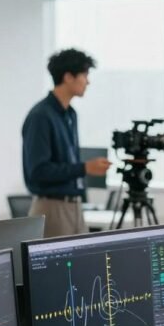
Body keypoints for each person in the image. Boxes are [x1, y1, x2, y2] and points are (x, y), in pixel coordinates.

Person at [22, 49, 111, 238]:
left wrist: (83, 169)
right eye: (84, 75)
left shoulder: (71, 114)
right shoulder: (41, 116)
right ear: (68, 77)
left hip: (75, 206)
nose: (88, 81)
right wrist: (85, 168)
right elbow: (38, 171)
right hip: (52, 207)